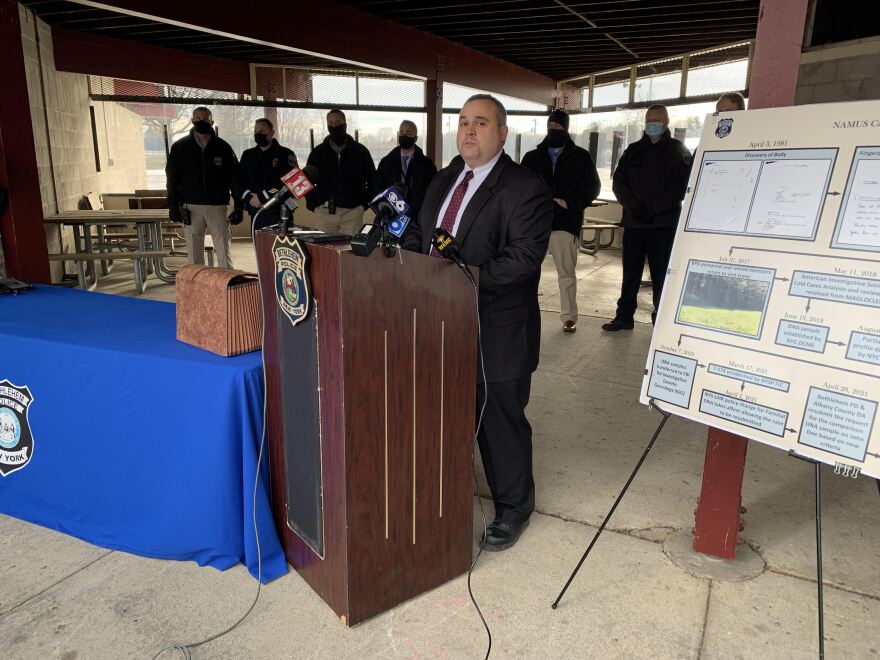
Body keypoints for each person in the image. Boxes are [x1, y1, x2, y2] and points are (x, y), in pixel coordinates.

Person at [403, 94, 553, 552]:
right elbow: (419, 232)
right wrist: (401, 259)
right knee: (445, 414)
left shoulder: (525, 187)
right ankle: (443, 496)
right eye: (463, 122)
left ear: (502, 133)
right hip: (437, 324)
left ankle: (513, 508)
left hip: (497, 331)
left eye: (481, 123)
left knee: (498, 421)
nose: (468, 131)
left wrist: (457, 279)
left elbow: (523, 260)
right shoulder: (446, 177)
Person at [602, 104, 692, 331]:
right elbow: (619, 183)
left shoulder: (678, 151)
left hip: (662, 225)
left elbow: (679, 188)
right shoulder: (633, 150)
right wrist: (635, 208)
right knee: (630, 272)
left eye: (657, 120)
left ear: (666, 122)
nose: (652, 125)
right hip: (634, 223)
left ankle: (660, 319)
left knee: (661, 274)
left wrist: (652, 210)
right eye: (649, 120)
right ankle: (624, 316)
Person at [521, 109, 600, 333]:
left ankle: (569, 317)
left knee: (566, 272)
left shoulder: (581, 157)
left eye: (558, 127)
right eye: (550, 127)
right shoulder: (532, 157)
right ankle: (524, 312)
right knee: (527, 271)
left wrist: (570, 203)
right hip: (535, 223)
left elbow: (592, 187)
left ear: (566, 129)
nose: (553, 131)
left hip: (565, 222)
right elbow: (521, 187)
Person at [166, 107, 241, 269]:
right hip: (191, 207)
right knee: (194, 255)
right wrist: (173, 205)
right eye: (198, 118)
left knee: (223, 251)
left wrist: (239, 207)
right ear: (192, 121)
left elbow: (234, 179)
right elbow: (172, 178)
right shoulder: (180, 148)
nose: (201, 121)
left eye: (205, 118)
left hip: (218, 207)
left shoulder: (223, 148)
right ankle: (196, 288)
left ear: (212, 122)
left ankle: (226, 287)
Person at [305, 109, 376, 236]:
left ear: (345, 124)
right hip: (324, 213)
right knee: (326, 253)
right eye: (331, 123)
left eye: (338, 122)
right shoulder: (318, 153)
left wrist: (363, 205)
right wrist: (314, 206)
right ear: (327, 125)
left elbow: (372, 180)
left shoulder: (360, 151)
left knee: (350, 253)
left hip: (353, 213)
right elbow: (306, 181)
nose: (334, 126)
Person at [234, 118, 299, 231]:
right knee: (258, 247)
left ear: (272, 133)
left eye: (263, 131)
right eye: (256, 132)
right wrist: (249, 197)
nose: (259, 134)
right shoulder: (248, 155)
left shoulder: (286, 154)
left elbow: (291, 182)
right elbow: (237, 181)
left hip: (279, 212)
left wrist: (263, 196)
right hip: (256, 212)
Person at [375, 120, 437, 224]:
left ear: (415, 138)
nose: (404, 136)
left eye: (408, 133)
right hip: (391, 217)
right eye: (401, 133)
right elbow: (377, 186)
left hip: (416, 218)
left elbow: (431, 192)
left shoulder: (427, 165)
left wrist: (412, 210)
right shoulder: (386, 162)